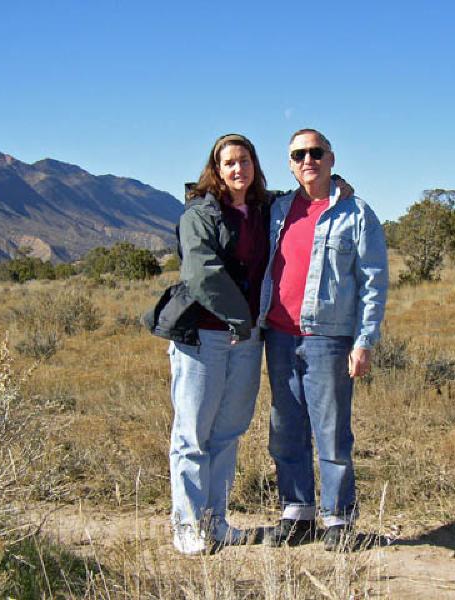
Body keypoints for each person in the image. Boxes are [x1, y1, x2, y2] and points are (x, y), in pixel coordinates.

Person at [258, 128, 388, 551]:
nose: (307, 160)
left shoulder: (355, 213)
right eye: (298, 154)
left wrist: (364, 340)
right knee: (286, 428)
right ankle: (297, 515)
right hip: (278, 336)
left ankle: (339, 520)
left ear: (331, 159)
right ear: (290, 163)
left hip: (328, 338)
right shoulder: (277, 209)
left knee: (332, 432)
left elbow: (373, 281)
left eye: (316, 152)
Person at [165, 133, 269, 554]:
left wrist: (338, 184)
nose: (237, 169)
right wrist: (241, 320)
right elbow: (203, 272)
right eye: (229, 163)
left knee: (227, 432)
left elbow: (307, 190)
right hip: (204, 338)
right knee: (192, 433)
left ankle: (216, 520)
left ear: (254, 165)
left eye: (244, 161)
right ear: (216, 169)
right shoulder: (200, 213)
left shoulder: (263, 210)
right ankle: (187, 526)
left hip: (246, 339)